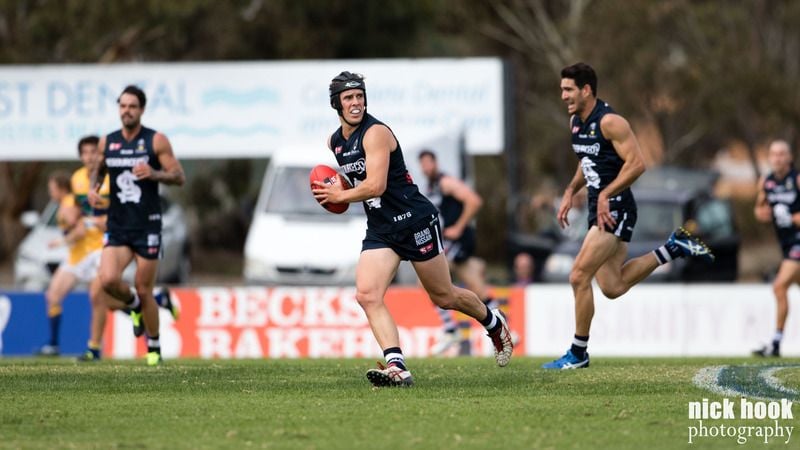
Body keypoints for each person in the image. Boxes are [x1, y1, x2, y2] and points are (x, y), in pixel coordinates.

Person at [313, 71, 513, 386]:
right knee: (367, 295)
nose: (356, 103)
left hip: (414, 220)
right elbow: (359, 181)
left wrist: (341, 196)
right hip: (382, 229)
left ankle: (493, 322)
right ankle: (397, 366)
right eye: (349, 98)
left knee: (445, 296)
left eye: (360, 96)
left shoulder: (375, 133)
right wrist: (336, 192)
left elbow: (377, 185)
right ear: (335, 103)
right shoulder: (334, 142)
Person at [543, 63, 715, 370]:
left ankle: (578, 353)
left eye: (568, 89)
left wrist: (607, 195)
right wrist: (571, 190)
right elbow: (588, 160)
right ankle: (672, 248)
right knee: (612, 287)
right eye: (561, 90)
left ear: (586, 90)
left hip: (616, 209)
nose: (563, 96)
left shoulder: (611, 122)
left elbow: (637, 164)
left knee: (578, 275)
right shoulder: (575, 122)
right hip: (601, 208)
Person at [90, 85, 185, 366]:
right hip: (118, 225)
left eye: (132, 106)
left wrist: (154, 173)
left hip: (147, 226)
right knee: (107, 280)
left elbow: (179, 177)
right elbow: (98, 168)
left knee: (145, 289)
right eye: (122, 106)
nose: (126, 111)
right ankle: (133, 307)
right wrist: (95, 187)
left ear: (141, 110)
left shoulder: (156, 141)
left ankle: (154, 349)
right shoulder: (108, 142)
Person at [417, 149, 501, 355]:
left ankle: (451, 329)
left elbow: (474, 200)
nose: (426, 166)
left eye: (429, 162)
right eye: (423, 163)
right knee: (476, 286)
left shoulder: (446, 182)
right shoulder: (431, 186)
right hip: (451, 241)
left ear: (435, 162)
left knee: (428, 279)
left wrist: (459, 227)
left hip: (458, 240)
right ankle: (504, 328)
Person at [752, 139, 800, 357]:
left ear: (789, 158)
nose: (778, 158)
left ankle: (776, 343)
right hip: (786, 243)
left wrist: (790, 217)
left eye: (782, 154)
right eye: (774, 154)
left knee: (779, 287)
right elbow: (759, 210)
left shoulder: (796, 179)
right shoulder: (766, 181)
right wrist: (763, 213)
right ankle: (776, 343)